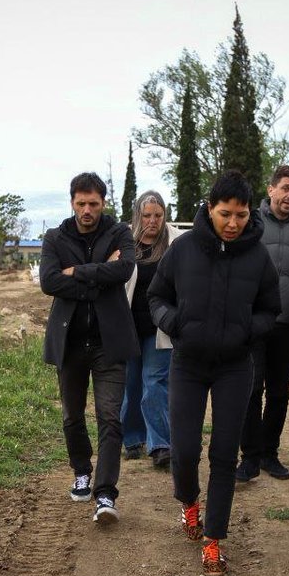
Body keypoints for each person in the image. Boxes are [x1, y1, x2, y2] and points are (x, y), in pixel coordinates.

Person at [149, 171, 281, 576]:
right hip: (188, 362)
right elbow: (157, 295)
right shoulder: (183, 249)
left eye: (241, 215)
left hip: (235, 367)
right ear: (210, 209)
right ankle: (189, 504)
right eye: (225, 214)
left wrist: (246, 331)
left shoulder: (258, 256)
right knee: (185, 451)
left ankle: (213, 540)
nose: (233, 223)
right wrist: (175, 323)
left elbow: (270, 308)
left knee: (224, 454)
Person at [40, 172, 137, 524]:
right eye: (80, 203)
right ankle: (81, 469)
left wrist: (76, 273)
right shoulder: (55, 237)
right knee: (72, 415)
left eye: (93, 204)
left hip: (109, 343)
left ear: (103, 203)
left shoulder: (120, 232)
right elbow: (49, 281)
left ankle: (106, 494)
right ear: (71, 202)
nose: (87, 210)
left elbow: (125, 269)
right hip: (70, 343)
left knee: (111, 417)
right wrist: (98, 275)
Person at [237, 165, 289, 481]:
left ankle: (270, 454)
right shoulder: (250, 222)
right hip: (254, 320)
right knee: (251, 390)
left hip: (288, 322)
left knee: (280, 392)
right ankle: (249, 458)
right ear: (271, 189)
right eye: (285, 188)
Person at [121, 190, 174, 469]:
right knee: (131, 384)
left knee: (154, 383)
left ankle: (161, 445)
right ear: (138, 216)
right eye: (147, 215)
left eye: (158, 215)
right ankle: (131, 439)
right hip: (129, 327)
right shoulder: (127, 243)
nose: (153, 221)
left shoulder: (174, 242)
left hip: (159, 329)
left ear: (165, 215)